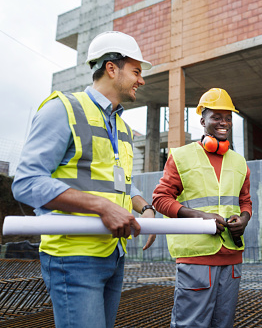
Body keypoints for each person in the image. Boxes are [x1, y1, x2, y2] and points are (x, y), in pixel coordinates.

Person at [12, 31, 157, 328]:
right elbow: (27, 181)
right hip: (73, 256)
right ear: (112, 68)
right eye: (137, 71)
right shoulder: (63, 109)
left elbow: (121, 184)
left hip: (113, 254)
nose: (141, 80)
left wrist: (145, 208)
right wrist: (102, 207)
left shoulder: (123, 127)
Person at [152, 88, 252, 328]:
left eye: (228, 117)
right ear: (202, 120)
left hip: (231, 258)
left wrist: (244, 219)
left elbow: (245, 200)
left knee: (223, 324)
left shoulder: (239, 161)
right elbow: (160, 199)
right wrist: (200, 217)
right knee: (191, 324)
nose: (224, 122)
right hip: (196, 258)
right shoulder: (181, 156)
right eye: (216, 116)